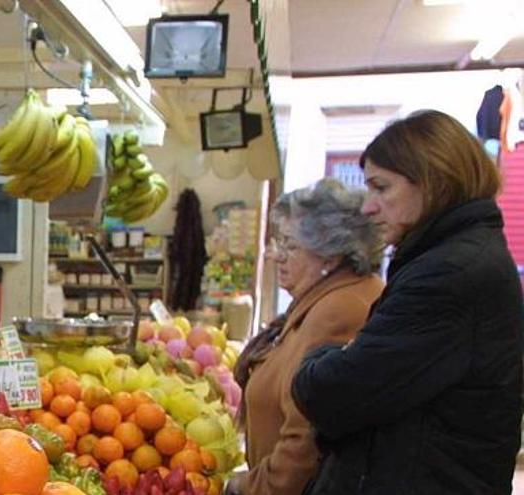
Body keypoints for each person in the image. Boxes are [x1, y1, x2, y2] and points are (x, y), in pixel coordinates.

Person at [292, 110, 524, 494]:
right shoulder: (453, 258)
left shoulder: (449, 275)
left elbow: (333, 394)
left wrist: (316, 360)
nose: (367, 207)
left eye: (381, 188)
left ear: (434, 182)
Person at [224, 178, 384, 495]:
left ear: (330, 255)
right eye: (277, 243)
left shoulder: (340, 310)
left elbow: (307, 432)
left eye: (290, 246)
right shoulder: (319, 300)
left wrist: (256, 486)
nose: (276, 256)